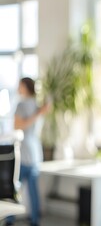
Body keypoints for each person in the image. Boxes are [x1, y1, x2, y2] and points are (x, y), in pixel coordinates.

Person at [6, 77, 49, 226]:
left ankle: (9, 219)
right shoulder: (39, 106)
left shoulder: (22, 105)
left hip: (23, 154)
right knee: (32, 190)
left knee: (13, 189)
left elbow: (18, 126)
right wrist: (40, 112)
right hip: (36, 152)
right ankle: (35, 221)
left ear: (24, 86)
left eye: (19, 85)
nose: (18, 87)